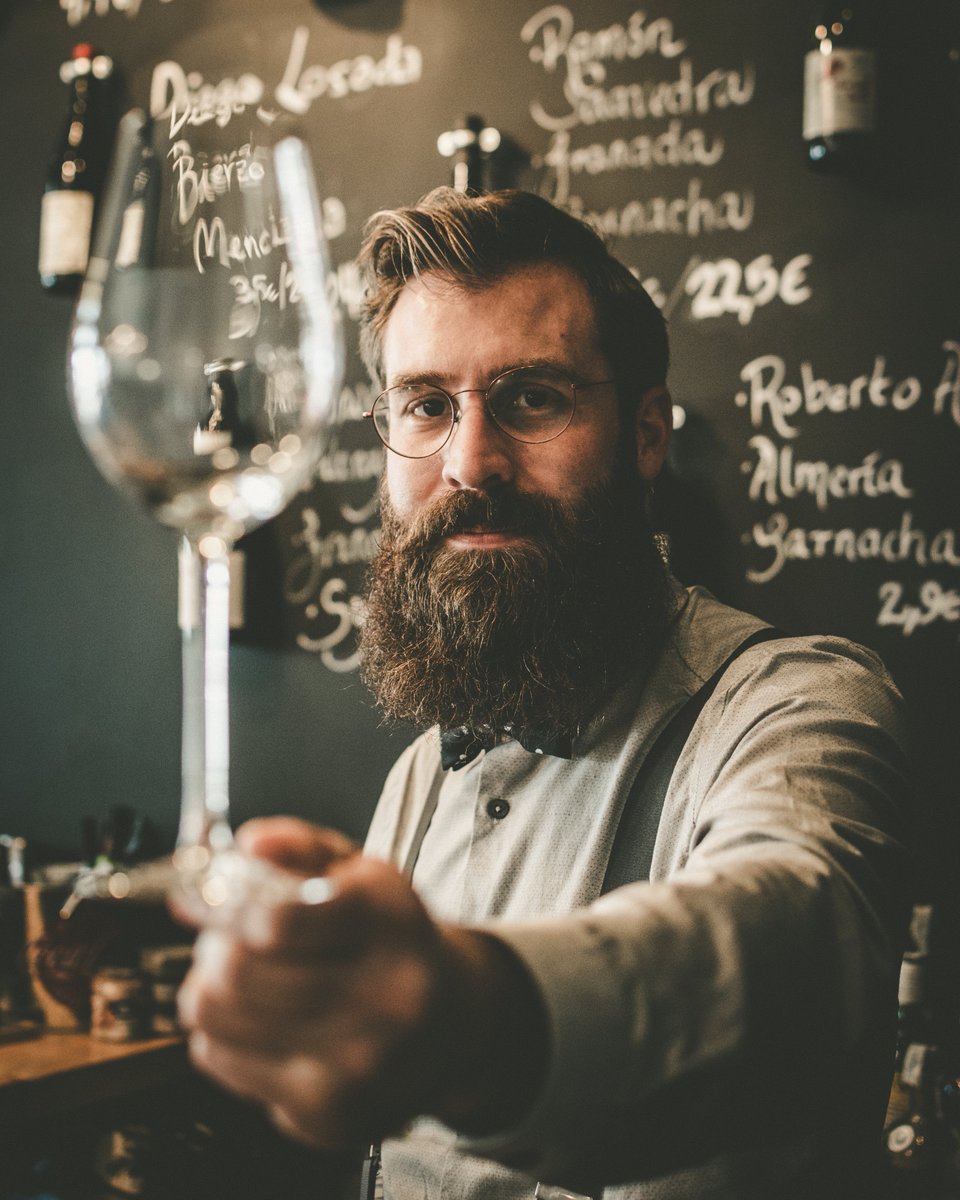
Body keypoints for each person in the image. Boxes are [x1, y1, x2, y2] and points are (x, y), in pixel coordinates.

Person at [174, 188, 912, 1200]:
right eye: (427, 406)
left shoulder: (799, 705)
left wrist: (473, 1019)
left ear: (646, 435)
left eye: (532, 398)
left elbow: (795, 951)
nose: (470, 462)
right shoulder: (417, 778)